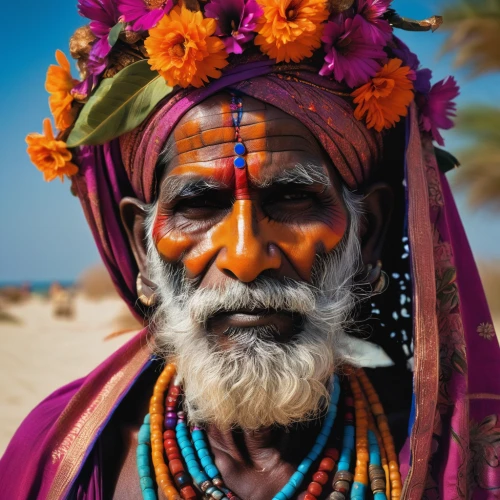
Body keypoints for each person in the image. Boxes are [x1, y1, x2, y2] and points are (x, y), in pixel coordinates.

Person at [2, 0, 499, 498]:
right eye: (198, 205)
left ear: (366, 232)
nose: (245, 256)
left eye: (293, 199)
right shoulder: (66, 456)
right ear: (142, 248)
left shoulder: (439, 453)